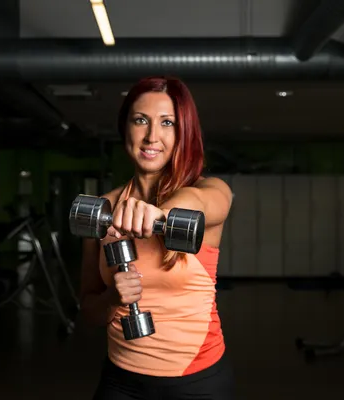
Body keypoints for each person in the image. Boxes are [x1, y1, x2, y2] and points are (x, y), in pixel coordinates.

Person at [80, 76, 234, 400]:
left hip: (197, 381)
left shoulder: (209, 190)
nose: (152, 136)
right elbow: (89, 311)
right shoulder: (102, 211)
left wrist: (159, 214)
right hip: (121, 379)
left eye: (167, 123)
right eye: (140, 121)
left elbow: (203, 203)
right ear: (126, 128)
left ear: (184, 133)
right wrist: (112, 298)